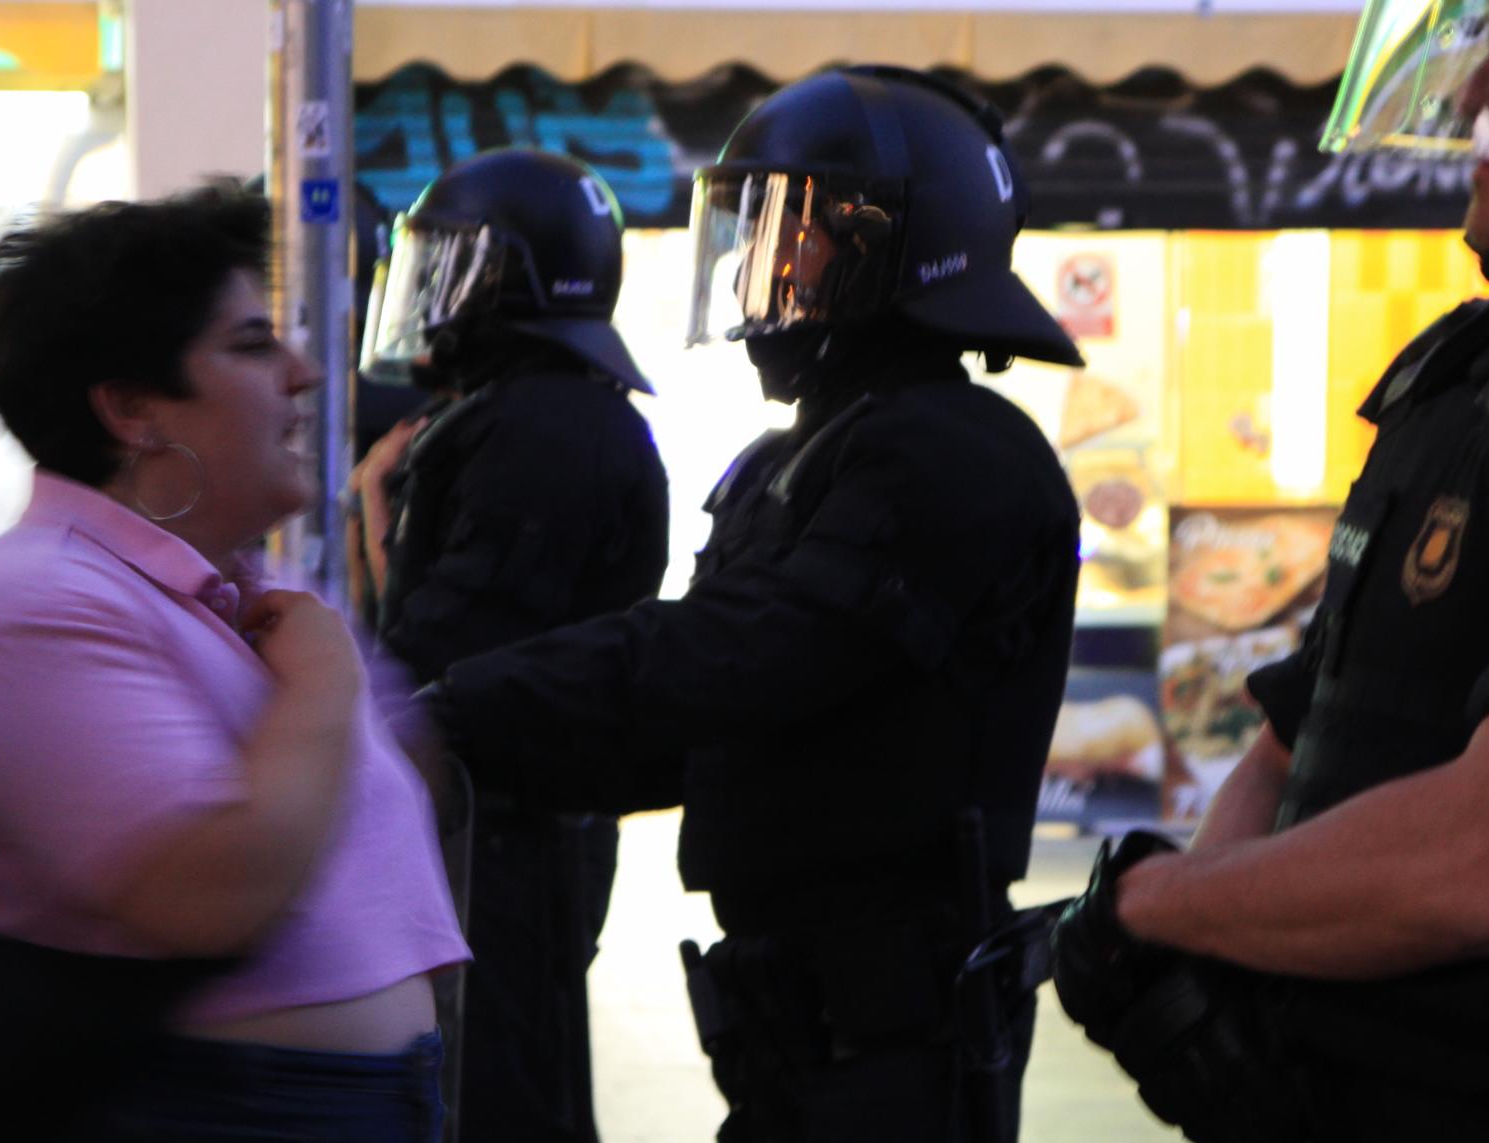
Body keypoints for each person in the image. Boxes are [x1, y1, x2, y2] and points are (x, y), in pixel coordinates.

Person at [1049, 3, 1489, 1140]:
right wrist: (1209, 962)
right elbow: (1308, 733)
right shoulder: (1485, 363)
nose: (1482, 84)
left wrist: (1156, 905)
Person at [421, 67, 1085, 1142]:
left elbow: (743, 654)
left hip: (892, 1045)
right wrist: (473, 749)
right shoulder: (808, 455)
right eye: (751, 231)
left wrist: (453, 708)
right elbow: (700, 735)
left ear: (892, 245)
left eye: (791, 233)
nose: (753, 266)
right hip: (796, 1036)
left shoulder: (950, 452)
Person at [0, 187, 468, 1139]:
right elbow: (212, 892)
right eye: (251, 344)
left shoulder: (227, 593)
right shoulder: (31, 608)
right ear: (130, 407)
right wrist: (324, 681)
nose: (304, 373)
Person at [353, 148, 670, 1143]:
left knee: (490, 1096)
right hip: (501, 828)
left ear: (510, 281)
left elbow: (452, 650)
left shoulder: (543, 428)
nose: (430, 294)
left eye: (454, 265)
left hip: (506, 836)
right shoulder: (531, 414)